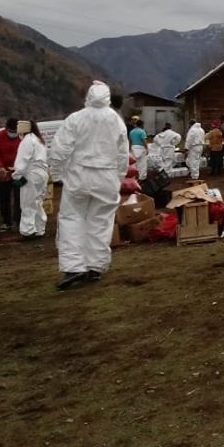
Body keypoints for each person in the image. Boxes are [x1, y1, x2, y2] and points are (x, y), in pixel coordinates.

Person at [49, 81, 128, 290]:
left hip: (79, 175)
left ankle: (74, 266)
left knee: (72, 218)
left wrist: (57, 174)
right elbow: (122, 155)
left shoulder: (76, 119)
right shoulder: (116, 121)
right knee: (101, 221)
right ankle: (95, 265)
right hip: (107, 176)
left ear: (88, 97)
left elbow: (59, 148)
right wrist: (118, 178)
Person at [12, 120, 48, 239]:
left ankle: (27, 232)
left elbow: (22, 161)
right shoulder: (38, 140)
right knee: (37, 202)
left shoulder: (26, 141)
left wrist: (16, 175)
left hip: (31, 175)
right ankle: (39, 229)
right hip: (42, 174)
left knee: (27, 204)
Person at [0, 117, 22, 233]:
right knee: (4, 197)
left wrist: (20, 168)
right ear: (6, 128)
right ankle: (6, 222)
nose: (13, 134)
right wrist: (0, 167)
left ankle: (20, 221)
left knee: (20, 196)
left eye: (15, 132)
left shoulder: (22, 136)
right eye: (11, 131)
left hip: (18, 173)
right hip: (4, 173)